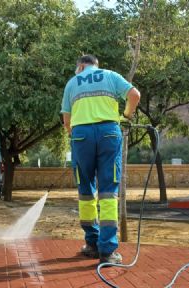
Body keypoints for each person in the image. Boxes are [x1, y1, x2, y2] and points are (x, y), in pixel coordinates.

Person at [60, 54, 140, 264]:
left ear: (81, 65)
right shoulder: (111, 76)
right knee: (107, 192)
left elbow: (66, 119)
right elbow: (135, 95)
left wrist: (74, 135)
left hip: (81, 135)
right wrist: (127, 116)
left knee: (85, 191)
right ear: (96, 65)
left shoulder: (72, 83)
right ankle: (107, 251)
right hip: (109, 134)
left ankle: (92, 244)